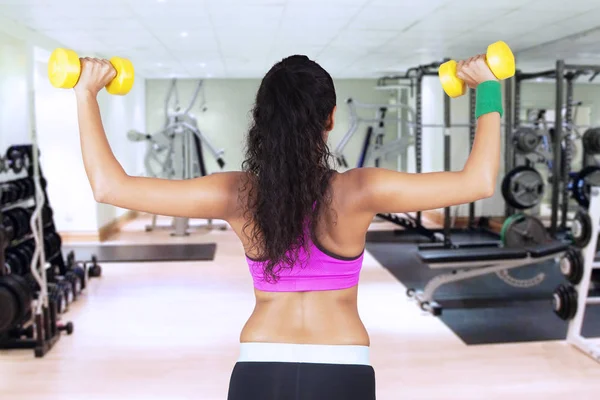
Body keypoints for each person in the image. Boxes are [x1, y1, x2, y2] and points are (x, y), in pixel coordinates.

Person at [72, 54, 501, 399]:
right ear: (330, 118)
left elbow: (110, 187)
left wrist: (86, 91)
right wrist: (487, 86)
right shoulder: (362, 189)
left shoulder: (237, 194)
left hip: (260, 362)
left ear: (261, 119)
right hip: (342, 364)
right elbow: (477, 182)